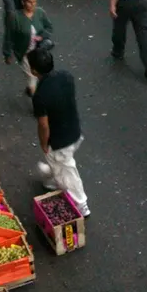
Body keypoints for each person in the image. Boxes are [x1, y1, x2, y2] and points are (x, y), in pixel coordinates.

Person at [26, 48, 90, 217]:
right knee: (62, 165)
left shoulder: (40, 95)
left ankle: (81, 204)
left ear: (33, 70)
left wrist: (43, 143)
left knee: (67, 171)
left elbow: (44, 125)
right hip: (74, 131)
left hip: (60, 141)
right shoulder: (66, 76)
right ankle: (53, 178)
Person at [8, 0, 53, 97]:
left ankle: (31, 90)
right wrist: (8, 53)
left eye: (34, 2)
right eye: (30, 2)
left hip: (38, 52)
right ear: (23, 2)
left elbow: (49, 27)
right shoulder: (15, 17)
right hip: (25, 54)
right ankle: (37, 105)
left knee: (39, 76)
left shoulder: (40, 13)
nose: (33, 5)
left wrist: (42, 36)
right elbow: (9, 36)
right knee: (32, 78)